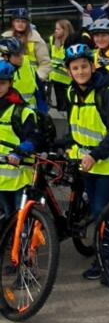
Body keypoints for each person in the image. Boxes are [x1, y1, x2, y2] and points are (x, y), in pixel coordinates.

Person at [63, 43, 109, 280]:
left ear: (92, 66)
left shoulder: (107, 94)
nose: (80, 71)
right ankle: (107, 257)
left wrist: (94, 155)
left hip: (107, 162)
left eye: (84, 66)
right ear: (68, 72)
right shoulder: (72, 93)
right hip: (84, 162)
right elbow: (76, 128)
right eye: (75, 68)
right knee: (95, 209)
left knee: (102, 210)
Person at [0, 59, 37, 219]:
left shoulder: (22, 111)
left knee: (19, 218)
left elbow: (34, 139)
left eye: (1, 83)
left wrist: (19, 153)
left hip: (18, 176)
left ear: (10, 83)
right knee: (7, 219)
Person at [4, 8, 50, 84]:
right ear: (13, 23)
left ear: (27, 23)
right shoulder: (6, 38)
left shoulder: (36, 39)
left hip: (32, 83)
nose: (20, 24)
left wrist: (37, 79)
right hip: (10, 81)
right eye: (17, 21)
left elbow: (45, 63)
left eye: (23, 21)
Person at [48, 19, 74, 112]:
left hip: (67, 80)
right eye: (55, 29)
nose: (55, 31)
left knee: (69, 105)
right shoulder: (53, 39)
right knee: (61, 107)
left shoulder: (71, 42)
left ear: (65, 30)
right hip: (55, 78)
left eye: (58, 29)